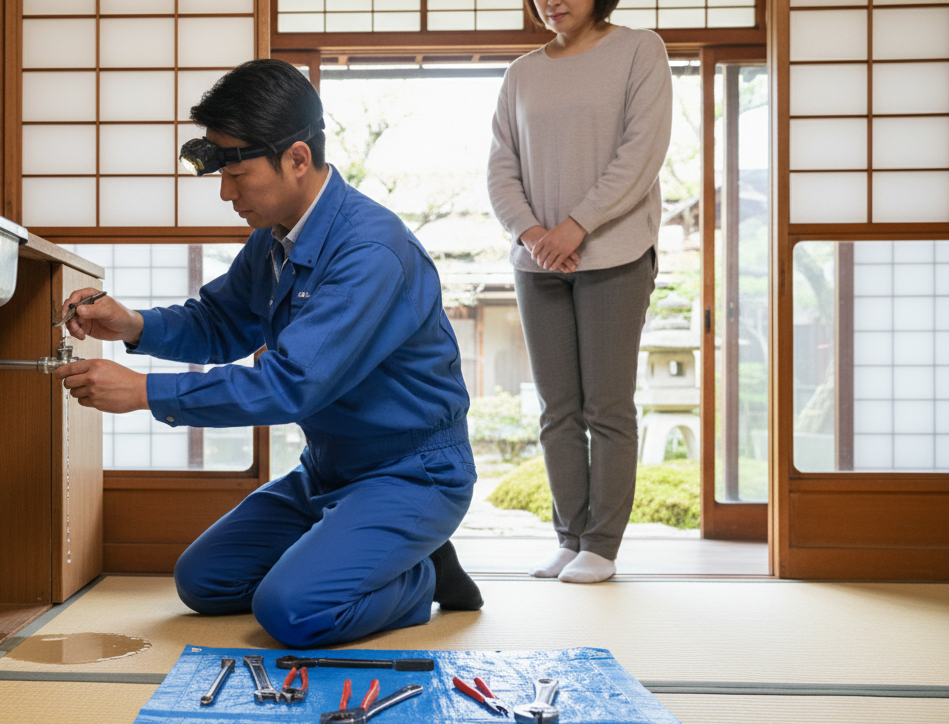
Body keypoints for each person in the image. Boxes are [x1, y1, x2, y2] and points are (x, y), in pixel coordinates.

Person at [52, 59, 482, 649]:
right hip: (328, 469)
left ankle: (423, 574)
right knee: (204, 582)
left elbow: (290, 384)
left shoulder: (371, 252)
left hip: (412, 473)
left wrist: (144, 393)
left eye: (237, 172)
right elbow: (221, 322)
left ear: (297, 159)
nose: (226, 192)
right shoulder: (275, 236)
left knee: (291, 612)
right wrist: (130, 324)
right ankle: (363, 549)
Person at [487, 0, 672, 583]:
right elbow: (500, 168)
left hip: (614, 254)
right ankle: (570, 538)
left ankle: (603, 544)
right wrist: (535, 234)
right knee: (557, 410)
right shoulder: (521, 71)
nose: (551, 0)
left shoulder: (641, 49)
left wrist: (576, 225)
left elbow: (641, 152)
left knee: (607, 408)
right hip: (537, 261)